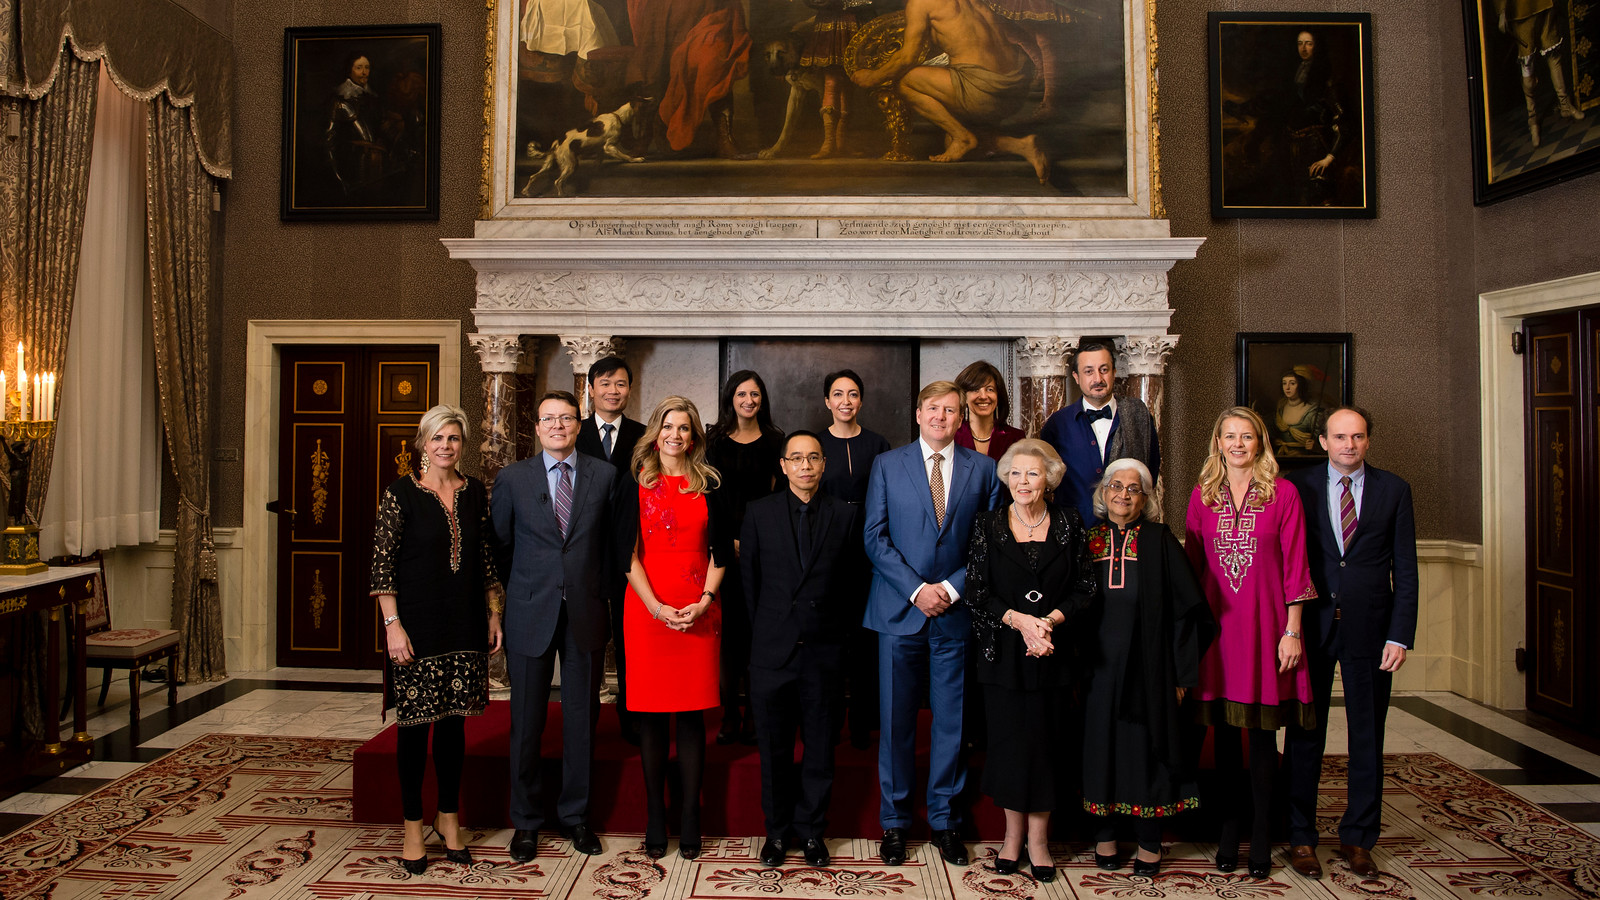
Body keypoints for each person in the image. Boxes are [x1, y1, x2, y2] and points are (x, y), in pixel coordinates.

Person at [863, 380, 1004, 867]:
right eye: (932, 408)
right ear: (918, 414)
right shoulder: (887, 464)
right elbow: (875, 538)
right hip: (898, 612)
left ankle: (946, 821)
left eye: (950, 410)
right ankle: (896, 823)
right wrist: (917, 590)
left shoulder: (984, 470)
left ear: (961, 418)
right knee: (896, 722)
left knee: (952, 723)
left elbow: (989, 543)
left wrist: (949, 589)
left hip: (956, 613)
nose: (941, 416)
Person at [1283, 407, 1417, 879]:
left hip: (1372, 631)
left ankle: (1359, 838)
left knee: (1367, 738)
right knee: (1305, 736)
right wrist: (1288, 628)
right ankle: (1300, 836)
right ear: (1322, 441)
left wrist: (1400, 634)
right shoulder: (1296, 487)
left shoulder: (1394, 490)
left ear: (1367, 441)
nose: (1349, 445)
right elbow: (1287, 557)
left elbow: (1407, 567)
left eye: (1357, 437)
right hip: (1311, 628)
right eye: (1339, 437)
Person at [370, 405, 503, 876]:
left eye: (453, 438)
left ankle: (449, 819)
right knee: (414, 730)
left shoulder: (473, 493)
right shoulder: (400, 494)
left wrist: (493, 614)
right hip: (417, 629)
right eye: (437, 438)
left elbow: (485, 558)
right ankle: (411, 826)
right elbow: (382, 567)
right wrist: (393, 626)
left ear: (462, 444)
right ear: (422, 443)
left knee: (453, 727)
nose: (446, 446)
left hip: (464, 626)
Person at [1185, 406, 1316, 880]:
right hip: (1219, 632)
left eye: (1247, 436)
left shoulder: (1283, 495)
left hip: (1266, 627)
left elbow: (1296, 567)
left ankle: (1261, 834)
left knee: (1261, 739)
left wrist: (1292, 630)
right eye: (1229, 436)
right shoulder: (1203, 496)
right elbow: (1193, 569)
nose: (1237, 444)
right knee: (1223, 738)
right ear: (1217, 442)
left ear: (1260, 442)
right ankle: (1229, 829)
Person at [492, 391, 618, 862]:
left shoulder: (604, 476)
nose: (558, 426)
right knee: (525, 723)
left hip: (585, 609)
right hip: (529, 611)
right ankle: (525, 822)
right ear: (537, 427)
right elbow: (502, 546)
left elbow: (610, 544)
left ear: (579, 424)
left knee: (582, 721)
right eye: (550, 419)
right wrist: (526, 589)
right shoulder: (513, 479)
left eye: (567, 418)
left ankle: (576, 817)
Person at [965, 439, 1096, 884]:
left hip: (1054, 654)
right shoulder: (987, 524)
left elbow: (1085, 588)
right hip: (1003, 655)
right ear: (1006, 478)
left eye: (1033, 473)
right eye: (1016, 473)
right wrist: (1021, 622)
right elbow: (977, 592)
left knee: (1046, 746)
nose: (1024, 481)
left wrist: (1049, 623)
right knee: (1008, 746)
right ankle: (1011, 837)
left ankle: (1039, 841)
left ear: (1050, 479)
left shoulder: (1070, 523)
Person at [1082, 459, 1215, 877]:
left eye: (1133, 489)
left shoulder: (1160, 540)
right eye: (1115, 486)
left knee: (1145, 753)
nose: (1123, 494)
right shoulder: (1088, 539)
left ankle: (1149, 841)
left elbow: (1186, 613)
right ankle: (1104, 834)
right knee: (1099, 748)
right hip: (1097, 668)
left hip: (1150, 667)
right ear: (1103, 493)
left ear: (1146, 498)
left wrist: (1179, 675)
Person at [741, 430, 864, 869]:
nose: (806, 466)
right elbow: (749, 586)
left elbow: (854, 585)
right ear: (783, 465)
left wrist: (840, 640)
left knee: (819, 748)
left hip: (824, 651)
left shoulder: (845, 516)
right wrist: (766, 636)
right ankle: (776, 833)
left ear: (824, 464)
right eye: (797, 458)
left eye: (814, 458)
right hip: (772, 652)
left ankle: (812, 831)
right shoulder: (758, 513)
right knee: (773, 750)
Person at [620, 396, 730, 860]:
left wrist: (703, 602)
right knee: (649, 719)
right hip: (647, 610)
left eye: (684, 428)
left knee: (690, 717)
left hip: (699, 608)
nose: (675, 435)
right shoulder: (634, 484)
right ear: (655, 432)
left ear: (694, 436)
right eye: (668, 426)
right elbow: (626, 556)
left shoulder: (711, 484)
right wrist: (657, 608)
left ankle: (689, 816)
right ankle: (654, 815)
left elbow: (719, 553)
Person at [848, 0, 1049, 183]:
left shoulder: (921, 3)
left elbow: (908, 57)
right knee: (950, 141)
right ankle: (1021, 145)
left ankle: (962, 136)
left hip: (983, 90)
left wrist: (872, 77)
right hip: (1015, 87)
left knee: (904, 81)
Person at [706, 370, 784, 745]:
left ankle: (757, 713)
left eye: (755, 394)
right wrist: (728, 541)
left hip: (764, 549)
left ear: (762, 399)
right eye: (741, 394)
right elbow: (708, 495)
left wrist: (751, 539)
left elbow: (779, 497)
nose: (748, 400)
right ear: (730, 398)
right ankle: (730, 715)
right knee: (728, 639)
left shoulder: (775, 441)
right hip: (721, 547)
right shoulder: (714, 440)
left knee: (759, 634)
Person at [816, 369, 892, 748]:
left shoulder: (879, 445)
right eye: (838, 394)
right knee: (829, 639)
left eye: (853, 394)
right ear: (827, 401)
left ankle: (864, 722)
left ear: (861, 401)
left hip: (869, 551)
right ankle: (827, 722)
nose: (845, 400)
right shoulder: (813, 443)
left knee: (865, 640)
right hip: (826, 550)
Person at [574, 355, 647, 743]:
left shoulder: (645, 434)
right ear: (590, 388)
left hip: (629, 554)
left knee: (628, 641)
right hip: (583, 553)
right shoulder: (574, 432)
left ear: (629, 389)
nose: (612, 391)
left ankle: (631, 720)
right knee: (585, 642)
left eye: (620, 384)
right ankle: (583, 724)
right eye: (604, 384)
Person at [1040, 342, 1161, 527]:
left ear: (1114, 372)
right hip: (1074, 530)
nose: (1098, 378)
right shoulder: (1058, 423)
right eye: (1089, 371)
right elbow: (1046, 482)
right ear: (1076, 377)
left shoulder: (1138, 414)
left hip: (1129, 529)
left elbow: (1149, 471)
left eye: (1104, 369)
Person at [1495, 0, 1584, 148]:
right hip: (1520, 10)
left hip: (1545, 4)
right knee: (1527, 64)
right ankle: (1533, 120)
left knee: (1554, 55)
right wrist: (1501, 12)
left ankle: (1565, 105)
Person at [954, 360, 1024, 462]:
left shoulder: (1016, 438)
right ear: (964, 397)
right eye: (975, 389)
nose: (983, 396)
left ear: (998, 395)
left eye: (990, 389)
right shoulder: (952, 436)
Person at [1270, 368, 1324, 459]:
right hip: (1281, 459)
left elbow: (1324, 443)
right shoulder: (1280, 409)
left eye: (1292, 383)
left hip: (1304, 462)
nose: (1287, 388)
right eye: (1284, 383)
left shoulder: (1312, 413)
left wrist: (1316, 447)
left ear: (1301, 386)